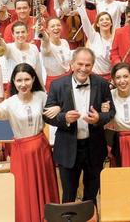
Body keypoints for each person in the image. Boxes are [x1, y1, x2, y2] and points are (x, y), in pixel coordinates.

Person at [0, 63, 61, 222]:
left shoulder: (41, 96)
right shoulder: (10, 102)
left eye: (27, 79)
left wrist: (58, 108)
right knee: (24, 190)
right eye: (19, 80)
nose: (23, 84)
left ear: (33, 79)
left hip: (42, 148)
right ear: (13, 81)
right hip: (21, 151)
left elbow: (56, 108)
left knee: (45, 186)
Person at [44, 48, 115, 203]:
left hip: (94, 147)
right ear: (72, 64)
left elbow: (111, 112)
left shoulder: (102, 84)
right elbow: (47, 115)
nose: (83, 69)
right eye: (80, 64)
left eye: (88, 65)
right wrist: (65, 118)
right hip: (68, 148)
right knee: (68, 196)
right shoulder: (57, 85)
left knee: (91, 195)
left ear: (93, 65)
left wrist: (99, 118)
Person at [39, 17, 73, 91]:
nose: (56, 28)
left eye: (58, 25)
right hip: (54, 83)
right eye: (52, 26)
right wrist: (42, 32)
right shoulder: (46, 45)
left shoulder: (64, 42)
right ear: (47, 30)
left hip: (69, 79)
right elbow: (45, 40)